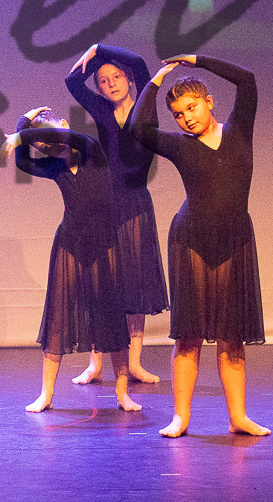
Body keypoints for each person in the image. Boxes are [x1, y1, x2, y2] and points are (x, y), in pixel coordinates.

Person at [132, 54, 268, 437]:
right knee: (189, 334)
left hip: (235, 239)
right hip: (190, 240)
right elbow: (139, 129)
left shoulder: (239, 130)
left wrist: (199, 61)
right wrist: (155, 82)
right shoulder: (180, 146)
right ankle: (181, 417)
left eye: (191, 108)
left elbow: (247, 79)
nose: (186, 118)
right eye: (177, 114)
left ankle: (238, 418)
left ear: (209, 102)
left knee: (231, 335)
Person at [3, 109, 141, 413]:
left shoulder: (91, 148)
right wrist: (23, 124)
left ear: (63, 125)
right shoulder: (54, 166)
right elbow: (23, 162)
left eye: (45, 132)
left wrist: (23, 134)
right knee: (59, 315)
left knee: (111, 315)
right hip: (69, 242)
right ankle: (47, 394)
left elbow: (63, 137)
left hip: (104, 242)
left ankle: (122, 393)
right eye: (38, 142)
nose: (42, 142)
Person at [64, 43, 168, 385]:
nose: (111, 84)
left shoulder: (145, 104)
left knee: (136, 283)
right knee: (102, 284)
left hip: (136, 203)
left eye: (117, 77)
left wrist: (97, 48)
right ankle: (95, 364)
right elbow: (72, 82)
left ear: (129, 79)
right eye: (103, 81)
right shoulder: (100, 109)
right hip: (104, 202)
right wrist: (91, 61)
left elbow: (138, 62)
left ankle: (134, 363)